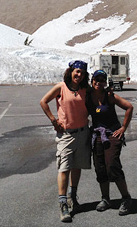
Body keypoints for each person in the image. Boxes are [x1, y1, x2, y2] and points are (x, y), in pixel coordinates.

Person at [40, 60, 91, 223]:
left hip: (83, 133)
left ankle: (72, 198)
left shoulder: (85, 89)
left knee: (77, 166)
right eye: (77, 71)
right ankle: (63, 203)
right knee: (64, 168)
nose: (79, 75)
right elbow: (43, 102)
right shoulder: (61, 87)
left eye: (82, 73)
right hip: (66, 135)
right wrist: (54, 121)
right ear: (71, 72)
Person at [86, 70, 134, 216]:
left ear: (105, 82)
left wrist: (123, 128)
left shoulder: (109, 96)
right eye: (96, 79)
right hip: (97, 135)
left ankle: (126, 198)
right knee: (100, 167)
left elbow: (129, 107)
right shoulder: (88, 97)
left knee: (112, 165)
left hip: (112, 134)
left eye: (102, 80)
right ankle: (106, 199)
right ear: (92, 80)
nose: (98, 82)